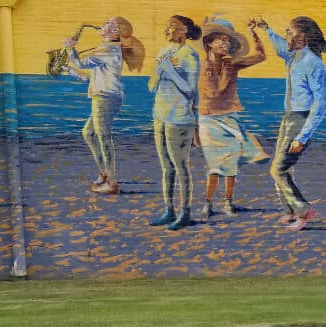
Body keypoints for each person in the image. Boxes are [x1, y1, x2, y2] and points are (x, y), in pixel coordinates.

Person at [260, 17, 326, 231]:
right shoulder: (294, 56)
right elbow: (281, 47)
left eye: (290, 33)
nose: (287, 37)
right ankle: (289, 210)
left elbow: (322, 102)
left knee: (277, 169)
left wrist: (302, 137)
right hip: (288, 116)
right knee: (285, 169)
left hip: (300, 119)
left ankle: (303, 210)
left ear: (305, 37)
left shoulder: (313, 63)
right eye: (286, 32)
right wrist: (267, 30)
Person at [197, 16, 269, 218]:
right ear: (209, 43)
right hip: (209, 121)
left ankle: (228, 202)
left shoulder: (231, 64)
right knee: (214, 166)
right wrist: (229, 70)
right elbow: (214, 93)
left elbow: (261, 56)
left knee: (230, 167)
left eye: (228, 40)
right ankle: (208, 203)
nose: (225, 43)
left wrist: (254, 34)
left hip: (230, 118)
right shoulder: (204, 67)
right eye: (220, 39)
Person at [66, 16, 143, 195]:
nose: (103, 24)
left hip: (105, 98)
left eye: (109, 23)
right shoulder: (107, 49)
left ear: (115, 31)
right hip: (105, 96)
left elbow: (81, 62)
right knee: (89, 133)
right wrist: (70, 70)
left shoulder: (107, 49)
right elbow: (87, 75)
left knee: (103, 137)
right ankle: (104, 172)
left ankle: (112, 182)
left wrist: (70, 48)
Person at [148, 15, 201, 231]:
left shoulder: (190, 55)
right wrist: (160, 71)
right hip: (159, 115)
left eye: (173, 26)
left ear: (184, 32)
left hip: (179, 118)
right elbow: (151, 86)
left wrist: (169, 71)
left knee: (180, 167)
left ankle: (184, 212)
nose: (167, 29)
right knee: (165, 167)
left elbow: (190, 90)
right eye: (167, 25)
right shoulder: (163, 51)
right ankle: (168, 209)